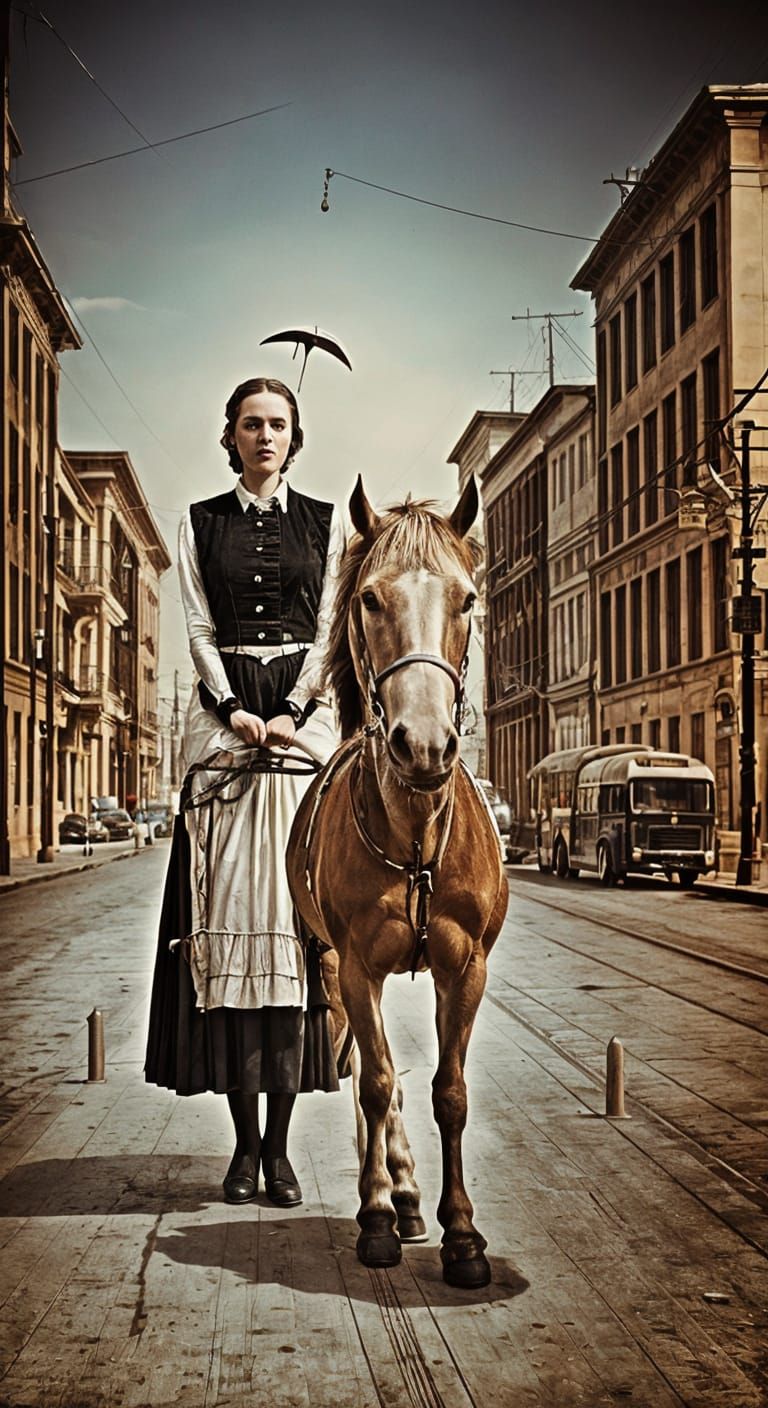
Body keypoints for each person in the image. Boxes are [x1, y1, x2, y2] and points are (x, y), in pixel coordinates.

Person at [145, 376, 342, 1208]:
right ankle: (241, 1149)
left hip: (303, 721)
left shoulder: (327, 524)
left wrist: (294, 712)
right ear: (229, 434)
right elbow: (195, 626)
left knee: (296, 939)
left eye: (279, 425)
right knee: (231, 939)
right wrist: (233, 709)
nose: (265, 436)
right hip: (225, 726)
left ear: (296, 438)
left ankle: (285, 1152)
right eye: (251, 424)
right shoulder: (200, 521)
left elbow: (332, 627)